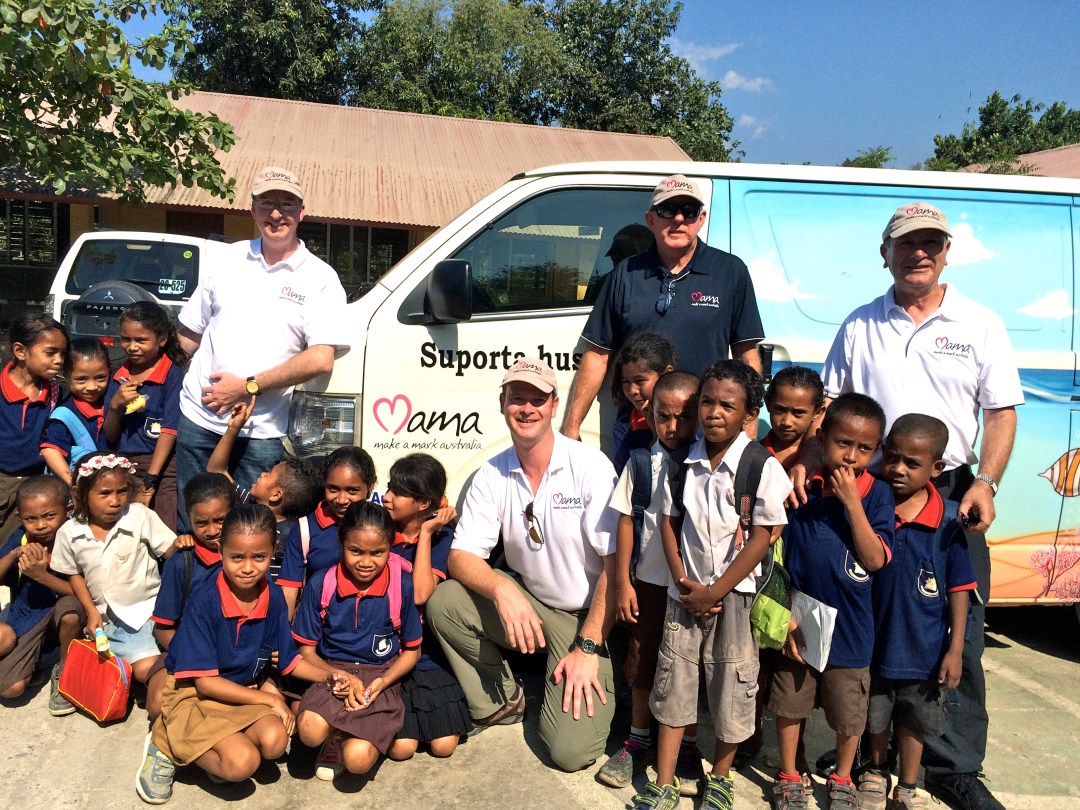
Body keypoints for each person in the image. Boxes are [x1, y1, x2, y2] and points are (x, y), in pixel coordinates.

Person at [816, 202, 1023, 810]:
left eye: (931, 243)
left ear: (946, 252)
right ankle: (867, 751)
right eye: (906, 244)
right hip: (874, 494)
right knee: (872, 620)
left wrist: (987, 480)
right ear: (886, 253)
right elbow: (830, 405)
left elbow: (1001, 412)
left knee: (959, 628)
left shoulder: (979, 323)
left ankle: (953, 763)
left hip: (952, 495)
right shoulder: (860, 325)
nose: (919, 253)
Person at [426, 357, 619, 772]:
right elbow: (461, 556)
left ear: (554, 406)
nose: (526, 409)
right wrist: (503, 588)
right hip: (532, 603)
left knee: (569, 754)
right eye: (517, 399)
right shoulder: (491, 474)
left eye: (538, 399)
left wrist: (588, 645)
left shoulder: (589, 467)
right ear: (502, 403)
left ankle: (596, 673)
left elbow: (616, 568)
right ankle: (502, 700)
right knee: (445, 602)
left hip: (588, 617)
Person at [632, 361, 792, 810]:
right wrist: (685, 581)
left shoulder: (760, 466)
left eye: (727, 405)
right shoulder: (684, 459)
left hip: (733, 601)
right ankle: (664, 784)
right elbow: (667, 520)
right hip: (683, 596)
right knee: (673, 685)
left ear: (749, 414)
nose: (714, 413)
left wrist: (716, 590)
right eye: (707, 402)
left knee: (731, 688)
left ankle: (720, 778)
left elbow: (763, 535)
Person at [175, 166, 351, 530]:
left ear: (302, 212)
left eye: (287, 204)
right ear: (252, 210)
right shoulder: (226, 260)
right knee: (194, 527)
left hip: (264, 431)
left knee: (255, 530)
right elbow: (189, 335)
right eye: (267, 203)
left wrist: (246, 386)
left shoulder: (320, 278)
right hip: (200, 418)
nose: (276, 213)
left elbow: (321, 357)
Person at [142, 503, 353, 803]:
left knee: (275, 742)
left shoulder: (273, 595)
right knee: (243, 764)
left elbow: (290, 660)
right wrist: (269, 699)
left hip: (241, 690)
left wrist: (328, 675)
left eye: (259, 557)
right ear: (220, 550)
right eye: (237, 557)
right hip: (195, 694)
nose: (248, 567)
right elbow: (205, 683)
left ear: (273, 550)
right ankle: (164, 742)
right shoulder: (205, 601)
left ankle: (208, 747)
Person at [562, 174, 764, 442]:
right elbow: (597, 355)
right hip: (638, 430)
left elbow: (746, 354)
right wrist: (571, 428)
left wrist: (749, 428)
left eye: (688, 211)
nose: (678, 219)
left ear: (700, 219)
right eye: (667, 210)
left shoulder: (730, 272)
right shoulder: (626, 274)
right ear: (651, 220)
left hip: (705, 432)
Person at [770, 394, 894, 810]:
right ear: (821, 440)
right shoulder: (802, 487)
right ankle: (789, 773)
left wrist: (852, 504)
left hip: (852, 630)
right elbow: (779, 555)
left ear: (877, 450)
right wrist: (784, 614)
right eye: (843, 443)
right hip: (800, 624)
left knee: (848, 713)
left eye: (864, 449)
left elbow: (875, 559)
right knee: (791, 702)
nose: (852, 456)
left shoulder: (876, 496)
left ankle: (842, 776)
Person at [859, 414, 977, 810]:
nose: (897, 469)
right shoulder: (872, 506)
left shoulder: (948, 521)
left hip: (923, 649)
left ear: (936, 468)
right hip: (872, 640)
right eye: (891, 458)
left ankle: (907, 785)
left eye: (911, 463)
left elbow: (960, 589)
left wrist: (955, 650)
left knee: (915, 719)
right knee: (874, 715)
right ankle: (876, 770)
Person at [599, 370, 702, 793]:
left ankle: (690, 746)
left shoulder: (707, 464)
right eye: (664, 416)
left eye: (684, 417)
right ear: (649, 413)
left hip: (696, 590)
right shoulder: (641, 462)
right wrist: (623, 582)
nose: (673, 427)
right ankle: (639, 738)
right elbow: (625, 521)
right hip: (650, 584)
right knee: (642, 661)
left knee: (691, 667)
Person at [293, 501, 422, 780]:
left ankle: (350, 737)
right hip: (332, 673)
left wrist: (383, 682)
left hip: (379, 676)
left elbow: (411, 651)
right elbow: (306, 648)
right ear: (341, 543)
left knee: (357, 761)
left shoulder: (402, 586)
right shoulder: (321, 583)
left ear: (391, 546)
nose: (366, 562)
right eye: (355, 551)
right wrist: (334, 675)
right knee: (309, 731)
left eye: (378, 552)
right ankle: (335, 736)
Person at [50, 452, 180, 720]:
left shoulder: (139, 516)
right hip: (103, 621)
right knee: (106, 665)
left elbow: (172, 553)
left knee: (145, 669)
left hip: (143, 614)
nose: (115, 501)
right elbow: (74, 574)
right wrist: (92, 610)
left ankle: (142, 675)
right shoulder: (70, 532)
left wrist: (186, 545)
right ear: (80, 493)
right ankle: (113, 674)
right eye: (105, 493)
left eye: (122, 491)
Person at [381, 453, 473, 760]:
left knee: (443, 747)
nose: (387, 496)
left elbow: (422, 593)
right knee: (400, 749)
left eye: (398, 492)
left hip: (427, 652)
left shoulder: (444, 539)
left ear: (423, 504)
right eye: (390, 487)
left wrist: (426, 534)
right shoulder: (380, 533)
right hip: (389, 651)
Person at [146, 473, 238, 720]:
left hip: (238, 655)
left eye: (220, 520)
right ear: (189, 518)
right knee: (157, 704)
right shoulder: (182, 563)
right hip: (186, 651)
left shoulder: (248, 559)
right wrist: (192, 656)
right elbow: (163, 627)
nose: (211, 531)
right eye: (201, 523)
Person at [208, 397, 323, 579]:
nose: (262, 474)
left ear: (276, 495)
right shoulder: (247, 506)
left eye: (269, 474)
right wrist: (233, 429)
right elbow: (216, 470)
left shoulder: (294, 535)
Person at [0, 476, 83, 709]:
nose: (40, 525)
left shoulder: (76, 537)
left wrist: (41, 576)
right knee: (11, 689)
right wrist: (15, 554)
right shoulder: (23, 537)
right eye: (31, 519)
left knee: (70, 610)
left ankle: (65, 671)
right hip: (29, 617)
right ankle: (32, 662)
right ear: (20, 518)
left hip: (66, 616)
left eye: (49, 516)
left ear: (67, 510)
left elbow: (82, 594)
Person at [104, 302, 187, 531]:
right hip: (124, 465)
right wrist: (114, 406)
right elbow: (110, 436)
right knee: (126, 532)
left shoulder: (173, 376)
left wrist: (150, 482)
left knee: (163, 530)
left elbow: (170, 429)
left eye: (141, 340)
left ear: (161, 339)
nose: (132, 347)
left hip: (161, 467)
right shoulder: (118, 376)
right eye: (126, 339)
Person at [277, 446, 377, 617]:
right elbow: (289, 591)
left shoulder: (380, 525)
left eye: (352, 490)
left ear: (370, 485)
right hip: (317, 629)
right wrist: (283, 637)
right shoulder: (304, 530)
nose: (341, 499)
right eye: (333, 489)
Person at [0, 314, 67, 542]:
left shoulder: (57, 392)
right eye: (50, 353)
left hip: (35, 489)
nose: (59, 360)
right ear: (20, 351)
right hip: (2, 481)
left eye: (62, 353)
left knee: (18, 550)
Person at [41, 337, 111, 484]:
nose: (92, 387)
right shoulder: (65, 415)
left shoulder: (113, 404)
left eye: (100, 378)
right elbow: (50, 450)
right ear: (66, 375)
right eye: (81, 379)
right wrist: (74, 483)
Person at [609, 330, 675, 472]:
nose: (632, 390)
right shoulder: (627, 425)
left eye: (640, 380)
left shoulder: (688, 416)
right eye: (626, 381)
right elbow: (628, 474)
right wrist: (655, 436)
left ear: (666, 374)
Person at [761, 366, 826, 472]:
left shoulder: (826, 460)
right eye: (780, 409)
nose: (787, 422)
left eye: (798, 413)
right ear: (768, 404)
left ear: (817, 412)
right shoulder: (751, 455)